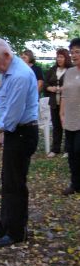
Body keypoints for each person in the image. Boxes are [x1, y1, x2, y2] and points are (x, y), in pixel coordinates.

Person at [0, 38, 39, 247]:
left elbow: (14, 116)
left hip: (24, 134)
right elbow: (4, 99)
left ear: (6, 55)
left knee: (16, 184)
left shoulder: (21, 75)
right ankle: (4, 226)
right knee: (8, 182)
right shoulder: (7, 71)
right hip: (16, 133)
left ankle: (16, 232)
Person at [60, 38, 80, 195]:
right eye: (72, 52)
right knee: (72, 153)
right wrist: (62, 112)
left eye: (77, 52)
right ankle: (75, 184)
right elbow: (65, 94)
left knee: (78, 150)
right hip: (70, 118)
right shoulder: (69, 72)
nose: (74, 55)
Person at [44, 48, 72, 158]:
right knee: (56, 126)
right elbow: (45, 84)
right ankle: (55, 149)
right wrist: (50, 88)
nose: (59, 59)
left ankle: (68, 150)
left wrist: (64, 88)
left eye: (61, 57)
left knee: (67, 126)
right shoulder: (52, 69)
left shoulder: (71, 70)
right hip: (54, 102)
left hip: (68, 103)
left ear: (66, 58)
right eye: (58, 57)